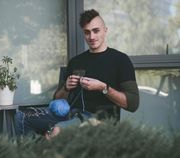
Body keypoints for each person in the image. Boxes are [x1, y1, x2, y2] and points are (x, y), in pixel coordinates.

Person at [14, 9, 139, 137]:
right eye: (87, 32)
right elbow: (57, 100)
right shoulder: (76, 62)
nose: (91, 37)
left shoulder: (120, 60)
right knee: (23, 116)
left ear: (105, 30)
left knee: (56, 131)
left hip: (99, 121)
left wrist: (103, 88)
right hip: (71, 115)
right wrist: (66, 88)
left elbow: (133, 104)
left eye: (96, 31)